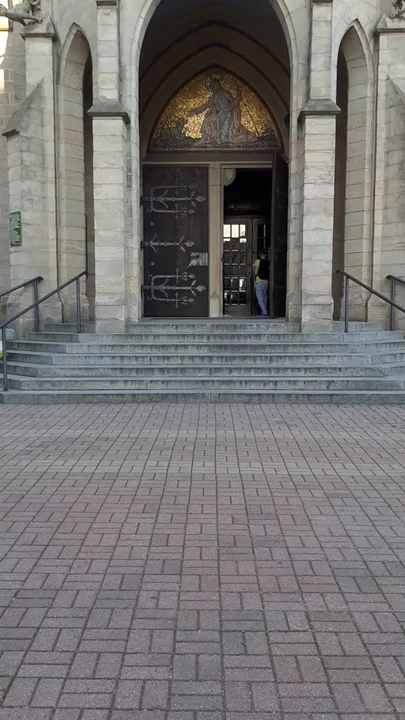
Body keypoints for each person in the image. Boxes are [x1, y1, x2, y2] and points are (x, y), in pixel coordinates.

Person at [254, 251, 269, 316]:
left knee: (260, 298)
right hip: (266, 282)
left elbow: (255, 272)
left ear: (259, 255)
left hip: (259, 281)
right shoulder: (268, 262)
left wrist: (253, 268)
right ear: (265, 255)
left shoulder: (257, 261)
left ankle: (264, 312)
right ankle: (263, 313)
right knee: (265, 298)